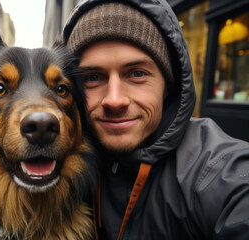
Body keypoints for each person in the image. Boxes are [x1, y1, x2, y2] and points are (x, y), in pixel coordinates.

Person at [62, 0, 249, 239]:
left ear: (167, 86)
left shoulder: (214, 171)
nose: (114, 100)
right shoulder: (63, 162)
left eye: (137, 74)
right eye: (92, 77)